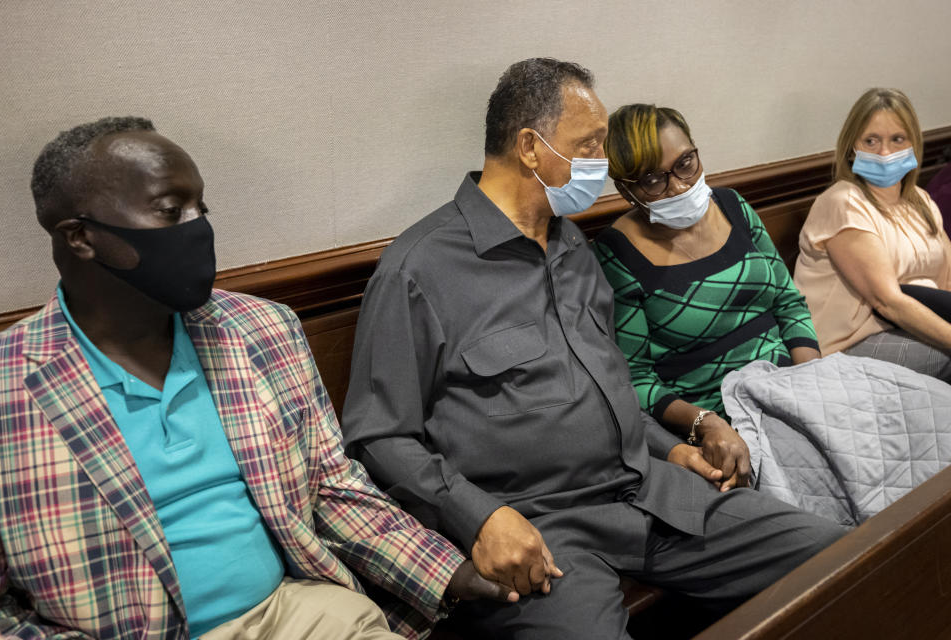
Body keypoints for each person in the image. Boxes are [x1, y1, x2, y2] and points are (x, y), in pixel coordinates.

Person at [341, 58, 845, 640]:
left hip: (647, 492)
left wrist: (672, 446)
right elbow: (378, 435)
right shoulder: (419, 268)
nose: (603, 166)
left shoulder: (574, 246)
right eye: (590, 145)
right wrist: (479, 517)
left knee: (839, 560)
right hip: (541, 529)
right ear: (531, 148)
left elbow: (610, 383)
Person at [0, 117, 509, 640]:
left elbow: (331, 488)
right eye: (171, 211)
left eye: (202, 209)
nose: (198, 228)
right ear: (80, 237)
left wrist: (450, 574)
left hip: (295, 612)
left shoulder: (261, 329)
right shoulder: (2, 388)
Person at [593, 104, 821, 491]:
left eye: (686, 163)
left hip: (793, 382)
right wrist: (704, 422)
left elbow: (788, 302)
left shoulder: (733, 207)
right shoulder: (617, 253)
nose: (679, 186)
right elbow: (637, 380)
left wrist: (812, 382)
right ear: (627, 190)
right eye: (653, 179)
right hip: (719, 414)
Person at [794, 88, 951, 380]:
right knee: (944, 357)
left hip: (904, 328)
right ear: (852, 147)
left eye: (897, 139)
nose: (885, 152)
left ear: (914, 143)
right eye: (871, 140)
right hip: (847, 345)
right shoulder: (844, 202)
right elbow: (888, 302)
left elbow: (947, 284)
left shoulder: (921, 201)